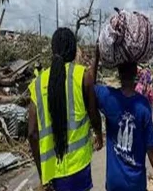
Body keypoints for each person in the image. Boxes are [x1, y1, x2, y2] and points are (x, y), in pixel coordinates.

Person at [28, 28, 102, 191]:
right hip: (78, 167)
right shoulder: (83, 76)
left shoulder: (37, 84)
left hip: (52, 173)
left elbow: (32, 133)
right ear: (74, 50)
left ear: (53, 50)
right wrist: (99, 135)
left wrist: (43, 176)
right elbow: (94, 115)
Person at [93, 49, 153, 191]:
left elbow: (88, 85)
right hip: (135, 183)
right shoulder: (143, 106)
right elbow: (152, 148)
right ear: (135, 74)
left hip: (114, 182)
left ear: (118, 73)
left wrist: (97, 56)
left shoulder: (108, 97)